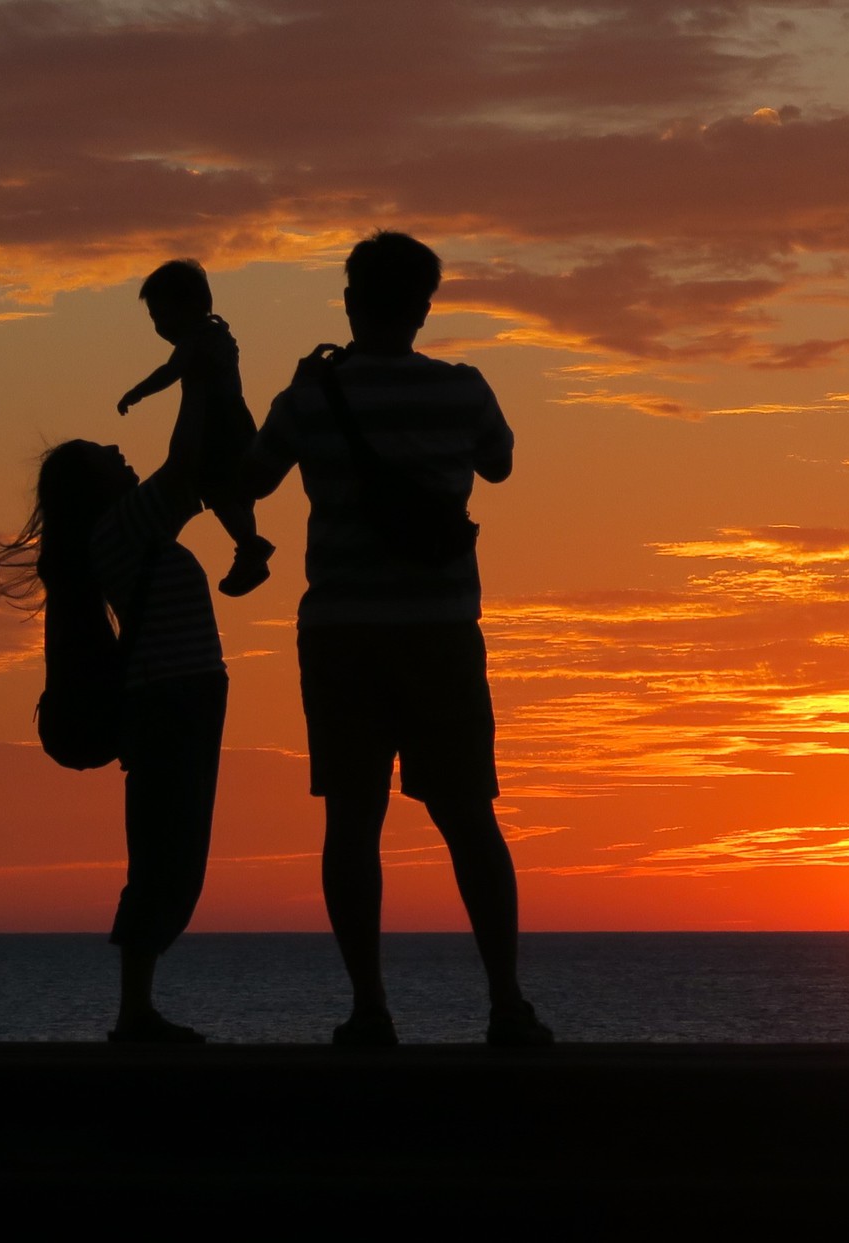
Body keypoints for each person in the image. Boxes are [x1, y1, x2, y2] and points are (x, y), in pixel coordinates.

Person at [246, 231, 551, 1047]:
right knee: (469, 819)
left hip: (341, 632)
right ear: (424, 307)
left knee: (351, 822)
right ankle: (506, 1003)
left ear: (349, 303)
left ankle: (370, 1007)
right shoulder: (463, 389)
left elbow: (250, 475)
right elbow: (500, 466)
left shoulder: (311, 394)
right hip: (442, 631)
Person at [0, 375, 227, 1043]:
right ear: (92, 487)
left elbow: (194, 471)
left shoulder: (126, 531)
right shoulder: (123, 527)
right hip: (171, 700)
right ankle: (134, 1013)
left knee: (172, 851)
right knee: (166, 853)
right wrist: (198, 380)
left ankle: (137, 1010)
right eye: (104, 453)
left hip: (182, 699)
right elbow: (185, 467)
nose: (118, 449)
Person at [118, 259, 276, 597]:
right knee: (237, 492)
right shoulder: (218, 332)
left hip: (216, 429)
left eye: (160, 316)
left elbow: (170, 372)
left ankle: (249, 545)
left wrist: (137, 392)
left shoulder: (197, 340)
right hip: (238, 423)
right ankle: (248, 551)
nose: (159, 327)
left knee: (216, 488)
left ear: (187, 308)